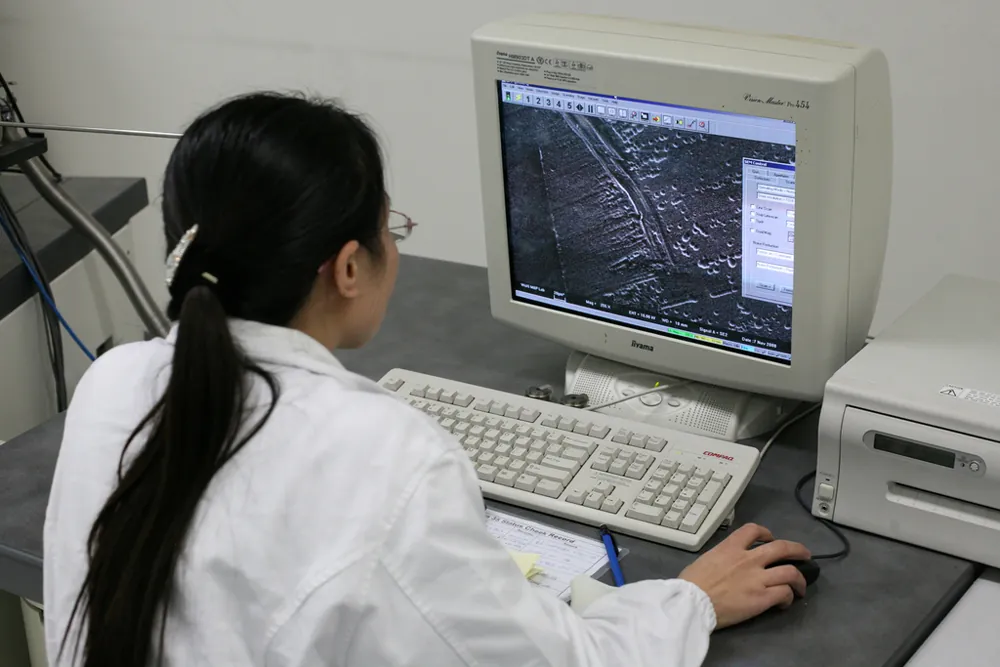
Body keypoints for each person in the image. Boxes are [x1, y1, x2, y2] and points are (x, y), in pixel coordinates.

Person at [43, 92, 811, 667]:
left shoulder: (113, 385)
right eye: (391, 227)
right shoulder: (386, 457)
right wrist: (691, 601)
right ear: (349, 267)